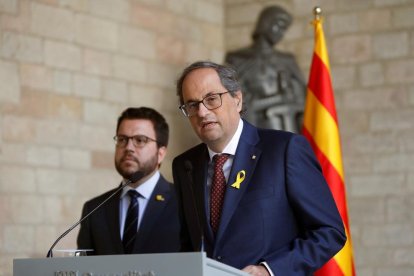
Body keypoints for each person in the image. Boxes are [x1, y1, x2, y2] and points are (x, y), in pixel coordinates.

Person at [172, 61, 346, 275]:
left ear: (237, 99)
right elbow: (188, 245)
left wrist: (269, 270)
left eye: (211, 99)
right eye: (191, 104)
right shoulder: (184, 165)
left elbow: (329, 232)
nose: (202, 111)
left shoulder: (284, 150)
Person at [77, 107, 180, 255]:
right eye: (122, 139)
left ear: (161, 153)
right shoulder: (94, 210)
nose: (128, 148)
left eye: (140, 140)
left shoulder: (185, 203)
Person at [225, 5, 306, 133]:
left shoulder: (287, 60)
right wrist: (278, 100)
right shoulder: (239, 59)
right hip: (256, 126)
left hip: (287, 126)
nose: (281, 33)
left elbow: (303, 99)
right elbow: (236, 100)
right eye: (278, 25)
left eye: (284, 29)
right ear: (266, 23)